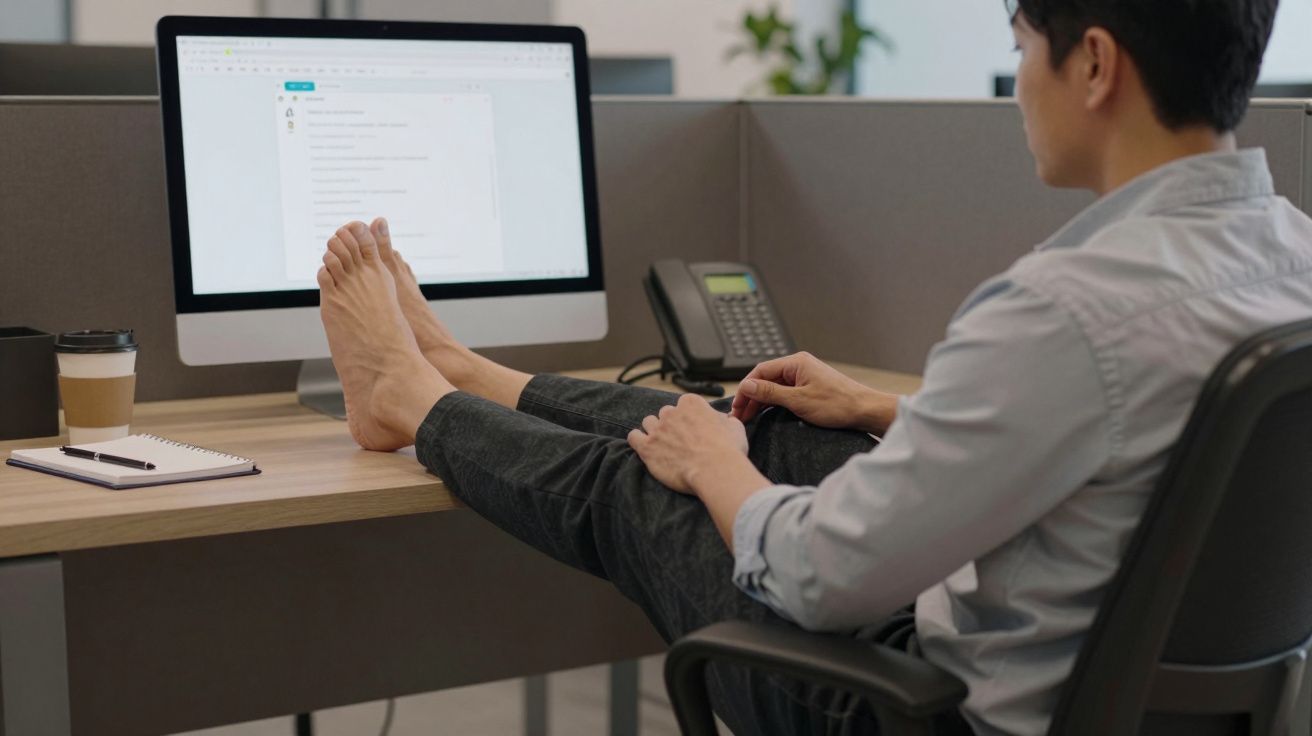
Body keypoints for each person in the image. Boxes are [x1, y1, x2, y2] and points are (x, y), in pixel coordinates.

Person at [313, 0, 1312, 733]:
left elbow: (820, 579)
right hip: (1138, 708)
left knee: (650, 477)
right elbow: (1133, 461)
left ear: (1093, 63)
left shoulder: (1063, 308)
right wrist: (883, 411)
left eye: (1020, 50)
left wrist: (714, 468)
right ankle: (459, 369)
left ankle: (408, 395)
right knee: (772, 427)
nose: (1018, 86)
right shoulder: (1294, 259)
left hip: (931, 714)